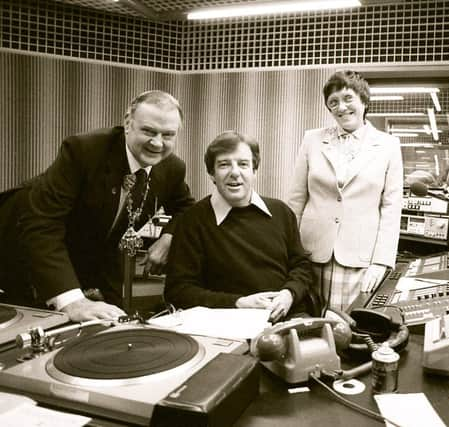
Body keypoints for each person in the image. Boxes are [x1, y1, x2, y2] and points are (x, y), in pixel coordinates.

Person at [0, 90, 195, 322]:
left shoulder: (172, 168)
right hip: (18, 249)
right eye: (148, 131)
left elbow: (187, 209)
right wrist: (71, 301)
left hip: (87, 255)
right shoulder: (84, 150)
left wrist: (169, 236)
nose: (157, 143)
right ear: (127, 123)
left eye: (168, 135)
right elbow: (42, 225)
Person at [164, 131, 313, 322]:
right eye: (224, 164)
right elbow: (178, 291)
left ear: (254, 171)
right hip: (227, 324)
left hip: (289, 316)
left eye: (243, 164)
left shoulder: (281, 212)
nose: (235, 172)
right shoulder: (193, 220)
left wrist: (289, 294)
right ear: (212, 174)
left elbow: (301, 266)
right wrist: (238, 303)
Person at [287, 70, 403, 312]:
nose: (341, 107)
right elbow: (296, 199)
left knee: (347, 331)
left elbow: (392, 207)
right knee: (306, 327)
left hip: (359, 260)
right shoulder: (312, 139)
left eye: (348, 98)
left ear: (364, 101)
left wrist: (381, 262)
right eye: (333, 102)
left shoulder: (388, 145)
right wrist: (287, 251)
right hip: (311, 253)